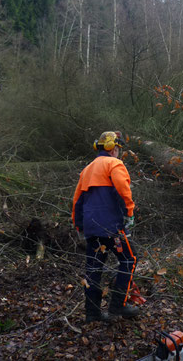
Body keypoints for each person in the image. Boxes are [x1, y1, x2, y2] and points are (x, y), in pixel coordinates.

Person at [72, 131, 139, 322]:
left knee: (93, 270)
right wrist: (129, 212)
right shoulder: (114, 163)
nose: (118, 152)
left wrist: (79, 225)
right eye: (117, 148)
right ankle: (119, 305)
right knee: (129, 259)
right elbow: (122, 187)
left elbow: (77, 201)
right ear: (113, 148)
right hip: (112, 228)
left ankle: (92, 313)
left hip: (92, 230)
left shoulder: (87, 169)